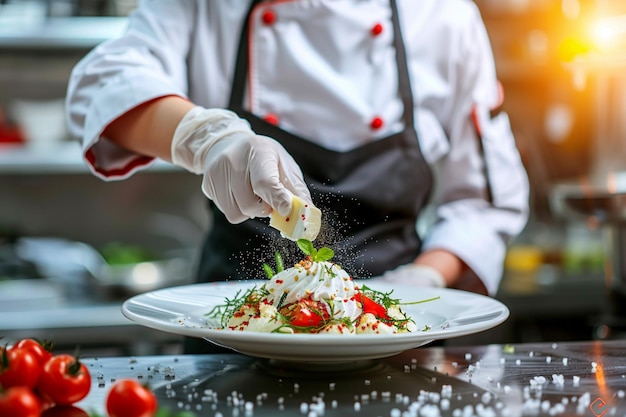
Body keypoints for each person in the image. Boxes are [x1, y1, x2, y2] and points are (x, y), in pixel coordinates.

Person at [66, 1, 528, 317]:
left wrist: (424, 280)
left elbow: (482, 202)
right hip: (233, 331)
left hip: (399, 330)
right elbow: (102, 83)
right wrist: (208, 136)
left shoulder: (440, 15)